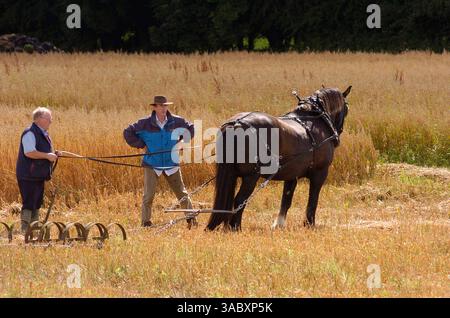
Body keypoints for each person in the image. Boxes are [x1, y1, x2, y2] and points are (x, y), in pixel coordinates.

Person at [123, 96, 197, 228]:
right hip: (152, 164)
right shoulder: (144, 123)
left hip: (171, 163)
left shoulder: (177, 121)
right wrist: (141, 144)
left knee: (182, 193)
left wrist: (181, 142)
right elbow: (127, 132)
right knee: (148, 196)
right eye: (160, 106)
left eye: (165, 106)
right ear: (155, 107)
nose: (163, 108)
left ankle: (191, 219)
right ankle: (146, 222)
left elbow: (191, 128)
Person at [16, 107, 58, 232]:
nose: (51, 121)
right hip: (28, 174)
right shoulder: (30, 132)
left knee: (37, 203)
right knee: (29, 202)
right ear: (39, 119)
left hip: (37, 175)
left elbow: (41, 151)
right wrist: (47, 155)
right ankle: (24, 231)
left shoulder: (42, 133)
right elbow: (29, 152)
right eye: (49, 119)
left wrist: (53, 153)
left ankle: (33, 230)